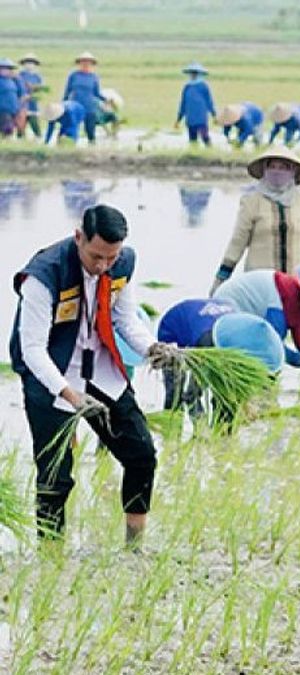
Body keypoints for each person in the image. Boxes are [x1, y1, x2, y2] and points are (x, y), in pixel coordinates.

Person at [10, 204, 182, 542]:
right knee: (55, 476)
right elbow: (32, 350)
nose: (103, 266)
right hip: (53, 375)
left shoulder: (121, 264)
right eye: (96, 257)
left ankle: (135, 547)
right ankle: (51, 553)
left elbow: (124, 318)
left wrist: (152, 348)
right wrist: (70, 396)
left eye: (111, 258)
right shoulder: (44, 275)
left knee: (142, 455)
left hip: (99, 370)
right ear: (79, 238)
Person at [212, 147, 300, 293]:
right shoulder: (251, 201)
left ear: (292, 171)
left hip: (296, 283)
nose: (277, 172)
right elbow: (238, 242)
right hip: (262, 283)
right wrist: (221, 279)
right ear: (264, 170)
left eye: (283, 168)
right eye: (272, 166)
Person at [155, 299, 284, 419]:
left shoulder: (267, 345)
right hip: (175, 326)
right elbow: (191, 396)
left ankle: (224, 436)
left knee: (226, 399)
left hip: (218, 320)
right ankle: (172, 437)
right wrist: (201, 427)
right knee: (175, 393)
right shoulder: (208, 344)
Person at [213, 266, 300, 368]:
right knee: (252, 359)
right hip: (226, 308)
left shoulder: (298, 298)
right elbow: (273, 347)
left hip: (245, 309)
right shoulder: (280, 304)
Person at [62, 52, 103, 144]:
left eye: (88, 62)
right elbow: (67, 91)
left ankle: (92, 147)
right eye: (83, 62)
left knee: (90, 131)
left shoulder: (94, 77)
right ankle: (70, 147)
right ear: (79, 63)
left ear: (92, 64)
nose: (85, 64)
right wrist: (63, 104)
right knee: (72, 129)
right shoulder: (74, 76)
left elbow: (96, 93)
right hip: (75, 106)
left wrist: (106, 100)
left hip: (89, 107)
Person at [175, 62, 216, 147]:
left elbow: (209, 101)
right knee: (192, 139)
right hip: (190, 117)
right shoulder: (187, 87)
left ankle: (211, 151)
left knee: (204, 136)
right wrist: (178, 119)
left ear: (199, 74)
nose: (193, 75)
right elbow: (183, 104)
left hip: (201, 117)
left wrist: (214, 115)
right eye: (191, 73)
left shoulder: (203, 86)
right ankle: (194, 155)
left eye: (195, 73)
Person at [17, 54, 46, 140]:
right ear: (24, 64)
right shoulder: (20, 75)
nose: (29, 65)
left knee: (35, 124)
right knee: (21, 126)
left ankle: (38, 140)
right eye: (27, 62)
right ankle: (20, 141)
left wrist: (34, 89)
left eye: (31, 63)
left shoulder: (38, 77)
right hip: (22, 105)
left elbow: (41, 91)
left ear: (35, 65)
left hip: (33, 105)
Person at [0, 58, 21, 138]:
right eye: (3, 69)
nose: (5, 71)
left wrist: (17, 78)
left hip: (13, 109)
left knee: (10, 128)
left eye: (8, 69)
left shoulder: (13, 81)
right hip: (3, 109)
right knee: (7, 128)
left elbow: (20, 92)